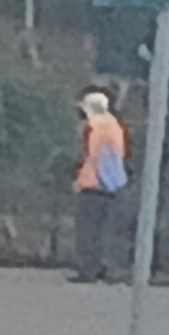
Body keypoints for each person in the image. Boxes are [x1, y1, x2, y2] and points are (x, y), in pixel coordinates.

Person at [69, 87, 129, 281]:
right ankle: (101, 266)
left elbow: (88, 156)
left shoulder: (94, 127)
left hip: (93, 185)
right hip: (108, 186)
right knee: (103, 229)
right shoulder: (114, 126)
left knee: (88, 230)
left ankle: (88, 270)